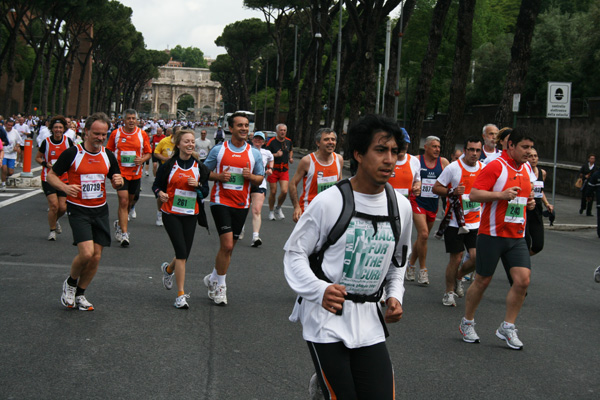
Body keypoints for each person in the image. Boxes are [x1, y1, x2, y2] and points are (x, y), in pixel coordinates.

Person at [284, 114, 412, 399]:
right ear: (358, 154)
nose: (390, 159)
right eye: (380, 150)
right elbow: (294, 254)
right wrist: (320, 290)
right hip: (326, 317)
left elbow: (398, 261)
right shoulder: (329, 201)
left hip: (368, 318)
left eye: (394, 152)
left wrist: (395, 295)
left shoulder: (400, 207)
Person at [459, 128, 536, 350]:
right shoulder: (496, 166)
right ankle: (467, 322)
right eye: (524, 147)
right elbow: (474, 194)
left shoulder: (526, 168)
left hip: (516, 236)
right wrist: (500, 195)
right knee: (482, 280)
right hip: (492, 234)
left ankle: (507, 327)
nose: (528, 152)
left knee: (523, 280)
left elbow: (523, 198)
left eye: (530, 147)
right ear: (510, 145)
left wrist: (529, 204)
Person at [48, 112, 123, 311]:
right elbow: (51, 175)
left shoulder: (108, 155)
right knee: (87, 253)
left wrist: (118, 181)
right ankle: (71, 282)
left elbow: (117, 177)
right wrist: (64, 188)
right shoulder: (73, 153)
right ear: (86, 132)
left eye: (103, 134)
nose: (100, 138)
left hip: (100, 210)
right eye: (96, 133)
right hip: (79, 209)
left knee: (97, 256)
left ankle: (80, 293)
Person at [203, 112, 264, 305]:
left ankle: (213, 277)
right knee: (227, 245)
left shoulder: (254, 153)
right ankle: (221, 286)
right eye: (240, 125)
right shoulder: (219, 150)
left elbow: (260, 178)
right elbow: (204, 171)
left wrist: (250, 177)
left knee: (229, 249)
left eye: (246, 125)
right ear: (231, 128)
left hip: (242, 203)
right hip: (220, 201)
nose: (244, 129)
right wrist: (218, 177)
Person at [153, 130, 210, 309]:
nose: (190, 144)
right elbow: (157, 185)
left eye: (192, 142)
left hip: (190, 214)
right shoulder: (168, 165)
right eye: (186, 142)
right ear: (178, 145)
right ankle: (180, 295)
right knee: (181, 252)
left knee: (183, 254)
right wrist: (160, 193)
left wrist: (198, 186)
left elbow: (205, 192)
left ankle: (168, 270)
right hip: (171, 213)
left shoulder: (199, 167)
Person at [432, 137, 484, 307]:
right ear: (465, 150)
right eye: (471, 150)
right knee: (456, 258)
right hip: (454, 221)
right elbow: (436, 188)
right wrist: (452, 191)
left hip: (475, 222)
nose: (474, 154)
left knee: (477, 258)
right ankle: (448, 292)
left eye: (477, 150)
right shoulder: (454, 168)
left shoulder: (483, 168)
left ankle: (459, 276)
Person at [406, 136, 449, 285]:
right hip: (417, 202)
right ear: (426, 147)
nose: (437, 149)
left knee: (422, 238)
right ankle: (423, 270)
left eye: (439, 146)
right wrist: (415, 186)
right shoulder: (417, 160)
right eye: (434, 146)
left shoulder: (443, 163)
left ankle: (410, 264)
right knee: (423, 234)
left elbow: (449, 181)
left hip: (433, 204)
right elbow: (409, 177)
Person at [106, 109, 152, 247]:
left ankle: (119, 222)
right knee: (124, 201)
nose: (131, 121)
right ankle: (124, 234)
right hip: (120, 173)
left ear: (137, 120)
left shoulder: (142, 134)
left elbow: (148, 153)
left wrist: (142, 159)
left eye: (134, 118)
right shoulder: (116, 133)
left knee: (131, 201)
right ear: (124, 120)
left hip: (135, 174)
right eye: (129, 118)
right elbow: (108, 151)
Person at [289, 128, 343, 223]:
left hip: (331, 211)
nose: (330, 142)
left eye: (333, 139)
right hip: (309, 210)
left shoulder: (339, 159)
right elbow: (292, 184)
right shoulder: (307, 161)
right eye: (326, 139)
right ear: (318, 143)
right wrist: (297, 207)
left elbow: (340, 184)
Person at [35, 115, 74, 241]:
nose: (58, 130)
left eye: (60, 127)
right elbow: (38, 157)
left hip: (63, 178)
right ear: (52, 129)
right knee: (54, 205)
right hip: (48, 177)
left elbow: (75, 157)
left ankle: (55, 220)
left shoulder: (68, 142)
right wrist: (46, 164)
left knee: (63, 207)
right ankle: (52, 231)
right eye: (56, 127)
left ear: (64, 129)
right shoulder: (46, 142)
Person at [525, 148, 554, 255]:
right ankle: (521, 264)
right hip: (525, 209)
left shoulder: (542, 173)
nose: (533, 158)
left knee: (538, 245)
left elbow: (540, 191)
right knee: (525, 242)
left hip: (537, 210)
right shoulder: (523, 173)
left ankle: (522, 258)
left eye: (535, 156)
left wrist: (547, 204)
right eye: (530, 156)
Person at [249, 131, 274, 247]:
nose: (258, 141)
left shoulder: (266, 152)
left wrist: (270, 169)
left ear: (264, 142)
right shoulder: (247, 150)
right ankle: (240, 229)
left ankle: (255, 236)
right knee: (242, 209)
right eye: (256, 139)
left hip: (260, 183)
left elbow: (271, 158)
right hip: (246, 183)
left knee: (256, 210)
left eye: (260, 139)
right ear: (252, 139)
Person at [266, 123, 293, 220]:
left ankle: (278, 208)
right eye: (281, 130)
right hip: (273, 169)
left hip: (284, 170)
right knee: (273, 192)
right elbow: (266, 155)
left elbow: (290, 150)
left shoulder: (289, 141)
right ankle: (271, 211)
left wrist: (290, 157)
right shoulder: (271, 142)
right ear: (277, 131)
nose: (283, 132)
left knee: (285, 191)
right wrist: (276, 155)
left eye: (284, 130)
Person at [388, 129, 421, 199]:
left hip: (405, 204)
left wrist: (417, 187)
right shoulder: (384, 160)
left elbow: (417, 180)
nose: (403, 146)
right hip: (386, 204)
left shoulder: (414, 161)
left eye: (405, 143)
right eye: (400, 143)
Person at [1, 118, 23, 191]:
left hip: (12, 154)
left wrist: (16, 146)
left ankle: (5, 177)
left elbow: (19, 141)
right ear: (5, 124)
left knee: (10, 172)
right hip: (3, 153)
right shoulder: (2, 131)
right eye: (8, 125)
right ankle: (3, 184)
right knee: (4, 169)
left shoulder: (15, 132)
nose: (9, 127)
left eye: (11, 125)